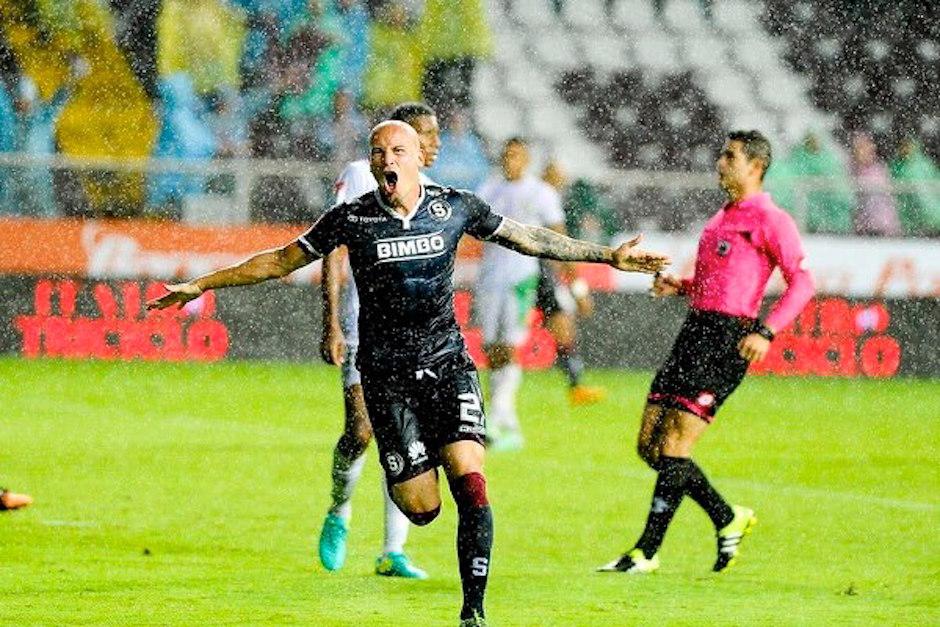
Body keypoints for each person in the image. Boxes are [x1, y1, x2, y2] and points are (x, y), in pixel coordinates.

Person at [147, 120, 669, 626]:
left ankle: (473, 612)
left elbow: (530, 238)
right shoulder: (352, 218)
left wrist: (608, 257)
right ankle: (413, 464)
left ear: (421, 158)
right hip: (387, 378)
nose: (387, 160)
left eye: (398, 151)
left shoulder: (455, 206)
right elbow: (280, 260)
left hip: (448, 366)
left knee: (473, 484)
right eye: (378, 153)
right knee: (422, 509)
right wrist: (202, 284)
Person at [598, 130, 814, 575]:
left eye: (730, 156)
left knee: (676, 442)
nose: (720, 162)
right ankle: (726, 516)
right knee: (650, 445)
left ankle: (645, 552)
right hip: (695, 330)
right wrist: (682, 286)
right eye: (721, 153)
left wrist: (767, 331)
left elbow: (803, 282)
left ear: (755, 166)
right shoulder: (722, 218)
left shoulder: (771, 219)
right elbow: (718, 285)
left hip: (727, 339)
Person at [318, 102, 441, 580]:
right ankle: (339, 509)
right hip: (363, 332)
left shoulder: (432, 193)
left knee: (407, 439)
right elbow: (332, 246)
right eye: (427, 134)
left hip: (417, 339)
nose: (435, 144)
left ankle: (393, 551)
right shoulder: (360, 175)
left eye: (434, 136)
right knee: (361, 432)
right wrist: (331, 322)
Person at [474, 137, 564, 450]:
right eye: (507, 155)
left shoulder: (541, 192)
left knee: (511, 346)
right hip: (489, 279)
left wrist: (568, 281)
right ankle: (506, 422)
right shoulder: (489, 190)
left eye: (516, 156)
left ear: (527, 160)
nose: (510, 160)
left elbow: (557, 235)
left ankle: (494, 419)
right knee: (492, 349)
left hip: (522, 278)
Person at [538, 159, 606, 405]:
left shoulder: (534, 195)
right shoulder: (547, 197)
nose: (562, 181)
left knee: (559, 326)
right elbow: (562, 247)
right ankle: (576, 384)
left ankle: (576, 384)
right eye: (558, 176)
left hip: (526, 270)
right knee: (563, 327)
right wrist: (580, 291)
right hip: (540, 271)